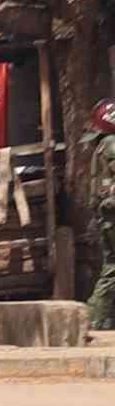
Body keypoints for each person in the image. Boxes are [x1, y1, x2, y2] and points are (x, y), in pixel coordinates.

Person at [87, 99, 115, 329]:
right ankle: (95, 318)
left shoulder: (101, 145)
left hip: (106, 216)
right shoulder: (112, 144)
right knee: (112, 268)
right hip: (112, 215)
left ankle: (100, 318)